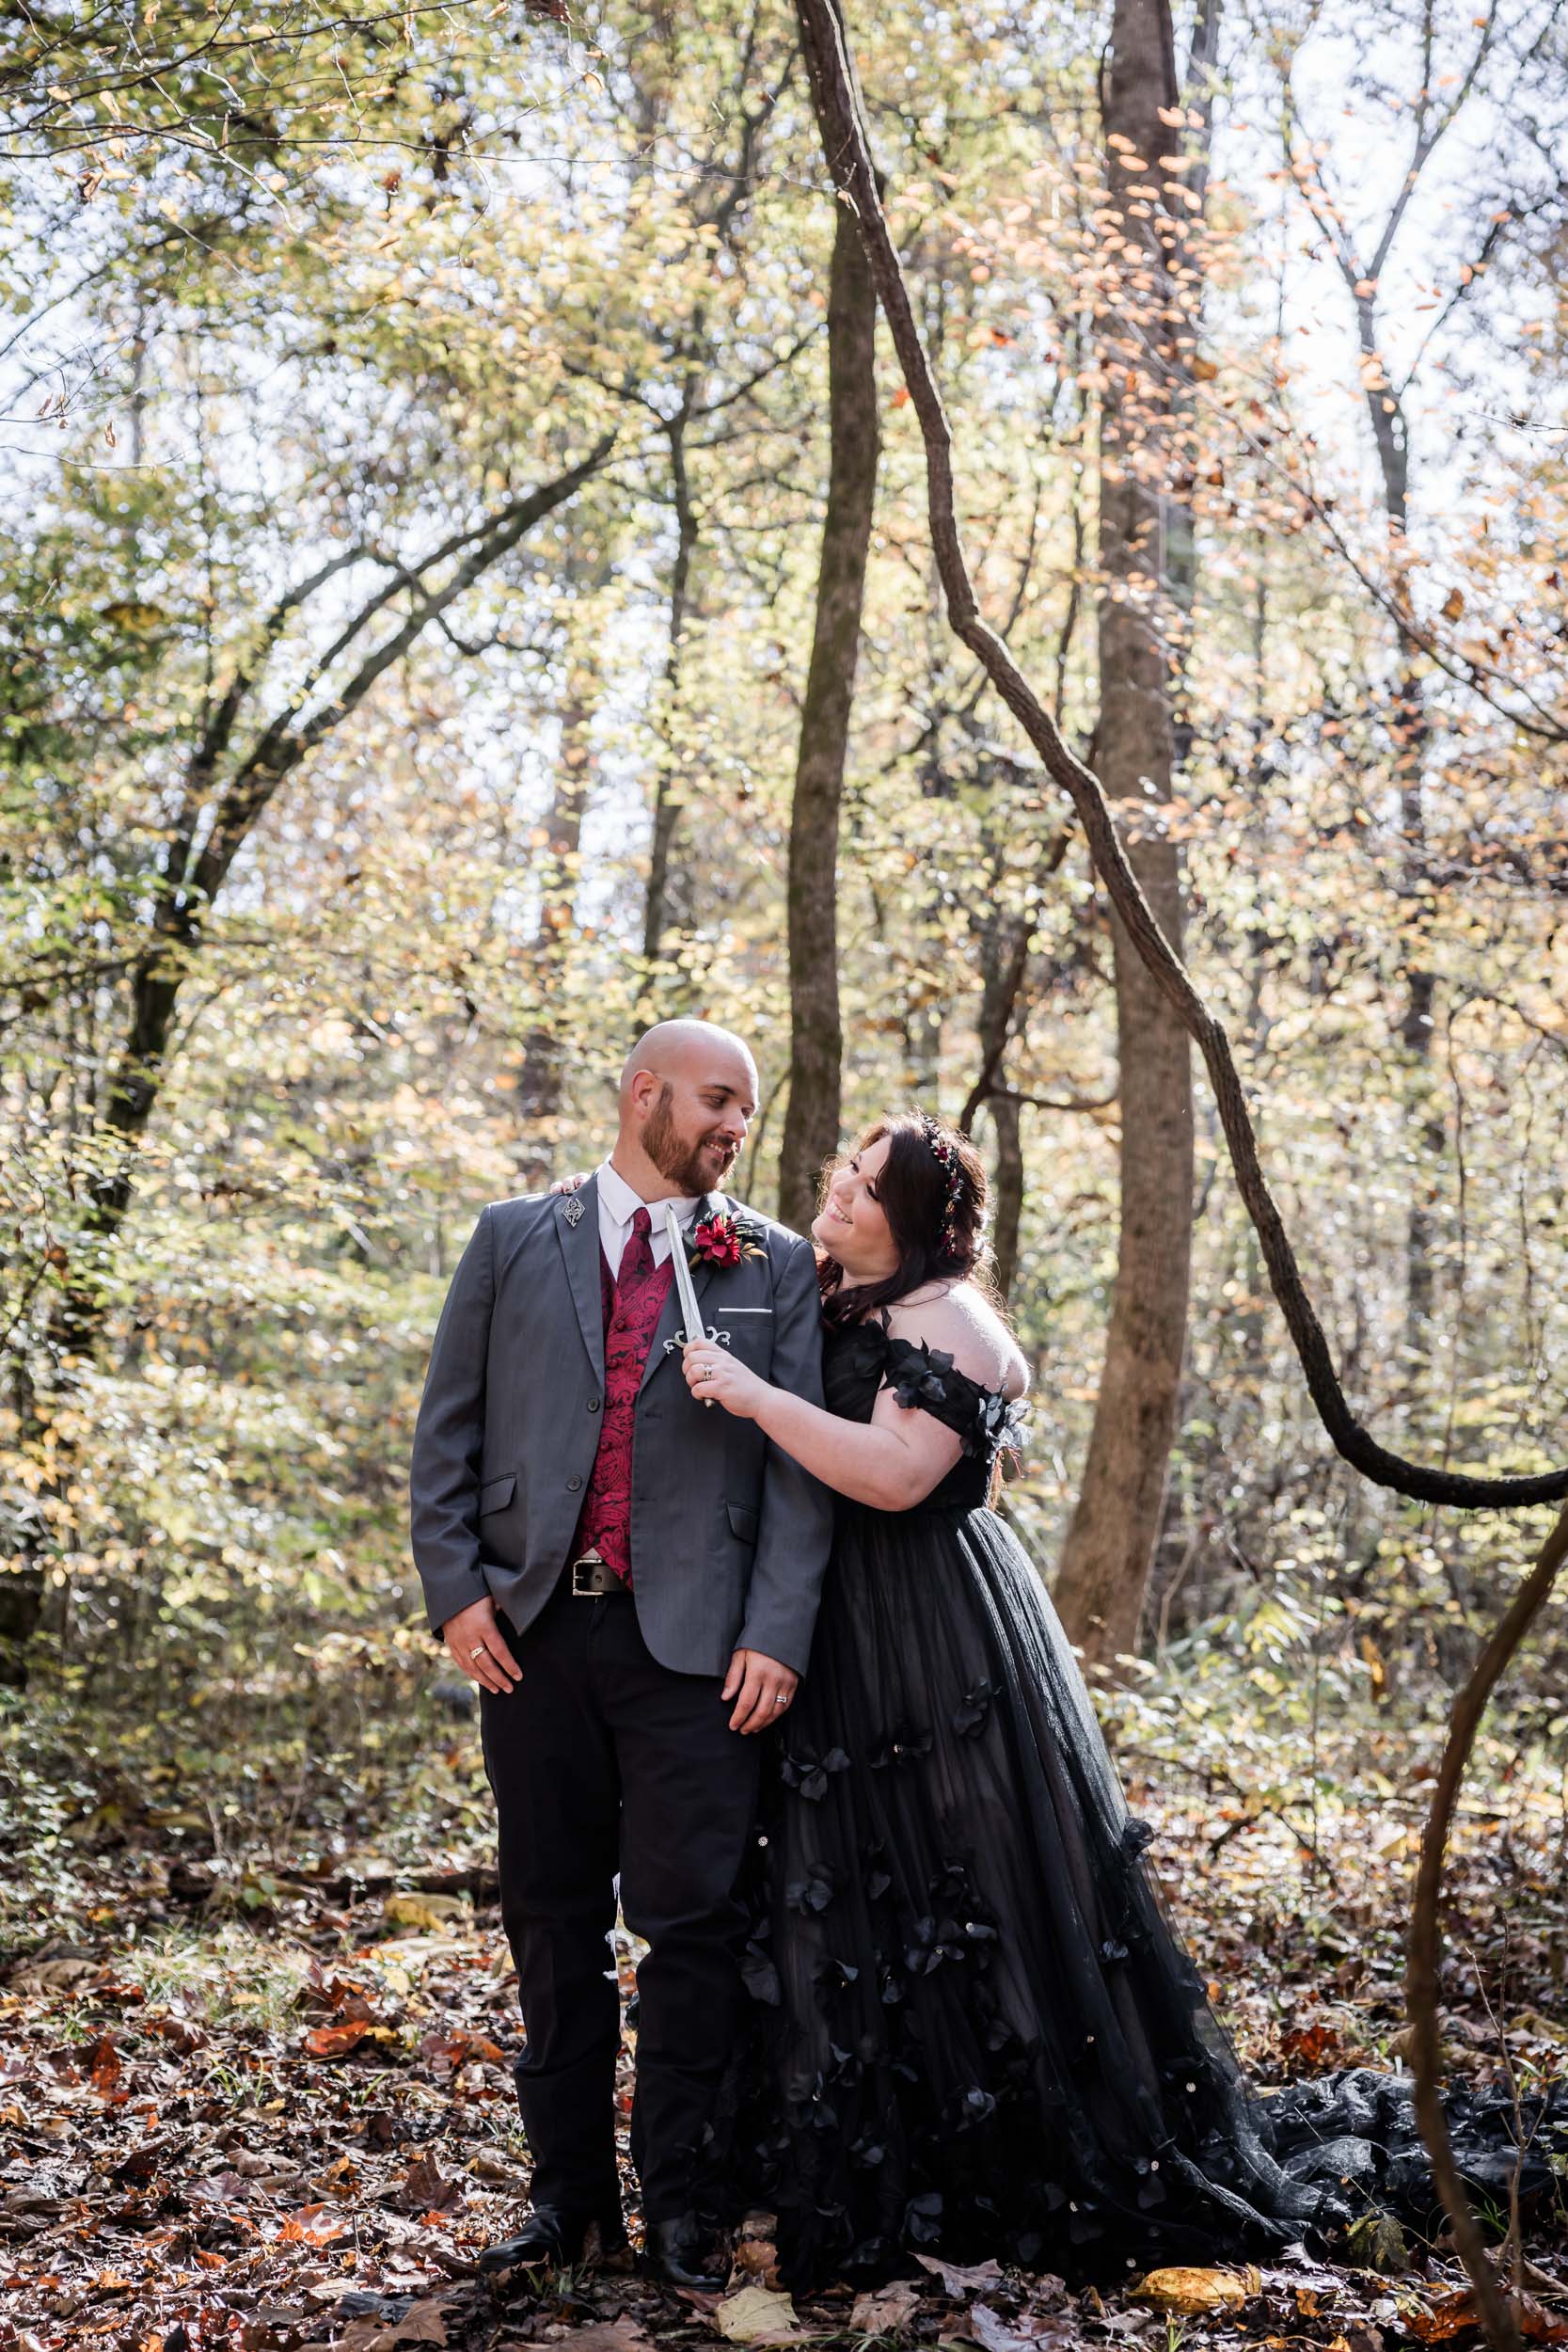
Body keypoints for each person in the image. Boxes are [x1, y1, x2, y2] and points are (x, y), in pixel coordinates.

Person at [408, 1020, 833, 2291]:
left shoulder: (776, 1264)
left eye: (745, 1112)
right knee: (548, 1920)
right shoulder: (507, 1241)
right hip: (532, 1635)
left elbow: (801, 1469)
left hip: (699, 1652)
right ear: (642, 1093)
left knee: (692, 1930)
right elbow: (447, 1435)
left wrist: (777, 1629)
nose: (732, 1129)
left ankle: (686, 2209)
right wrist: (456, 1595)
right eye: (715, 1100)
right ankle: (568, 2204)